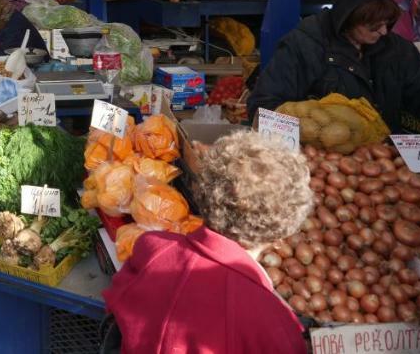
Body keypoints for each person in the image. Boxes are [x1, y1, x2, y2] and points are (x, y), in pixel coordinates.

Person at [103, 132, 312, 353]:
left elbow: (115, 304)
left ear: (200, 194)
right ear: (279, 238)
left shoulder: (152, 249)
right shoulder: (272, 321)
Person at [249, 0, 420, 132]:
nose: (384, 31)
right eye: (374, 27)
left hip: (384, 155)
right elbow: (265, 105)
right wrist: (311, 133)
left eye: (387, 23)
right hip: (323, 159)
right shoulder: (304, 45)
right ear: (348, 21)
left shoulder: (397, 49)